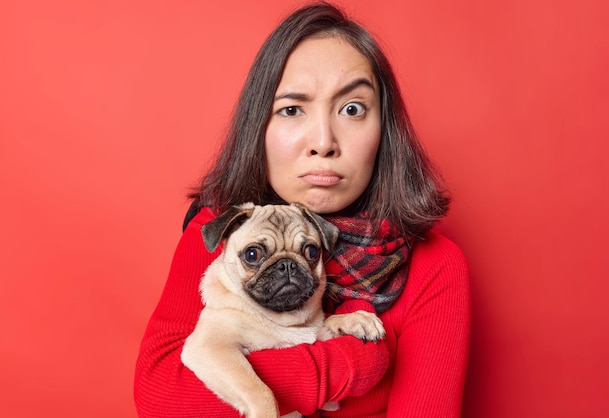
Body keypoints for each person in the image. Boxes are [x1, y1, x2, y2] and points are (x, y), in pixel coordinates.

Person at [134, 2, 470, 417]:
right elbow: (161, 400)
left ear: (385, 129)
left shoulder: (435, 265)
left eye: (352, 109)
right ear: (259, 126)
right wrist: (351, 362)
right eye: (292, 109)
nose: (323, 141)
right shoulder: (218, 232)